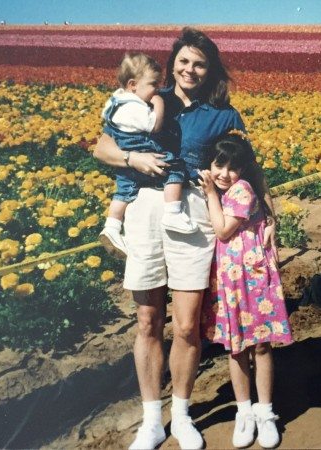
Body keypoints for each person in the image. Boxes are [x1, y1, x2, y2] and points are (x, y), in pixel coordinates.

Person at [93, 27, 277, 450]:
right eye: (183, 61)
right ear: (172, 62)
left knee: (188, 324)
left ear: (209, 69)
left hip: (193, 214)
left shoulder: (223, 114)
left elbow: (250, 168)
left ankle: (182, 413)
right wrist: (132, 157)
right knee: (147, 320)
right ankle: (152, 420)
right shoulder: (147, 96)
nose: (189, 69)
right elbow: (102, 145)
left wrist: (268, 215)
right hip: (143, 208)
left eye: (199, 62)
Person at [199, 132, 293, 449]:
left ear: (242, 170)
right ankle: (244, 412)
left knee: (261, 344)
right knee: (236, 347)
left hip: (252, 276)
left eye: (232, 167)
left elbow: (224, 230)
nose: (224, 173)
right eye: (218, 165)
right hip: (229, 277)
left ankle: (264, 412)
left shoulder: (241, 189)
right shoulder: (224, 187)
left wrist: (211, 193)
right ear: (209, 164)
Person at [99, 52, 197, 259]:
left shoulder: (116, 100)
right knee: (176, 168)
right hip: (144, 151)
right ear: (133, 84)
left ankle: (112, 226)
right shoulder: (136, 106)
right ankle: (173, 213)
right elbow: (153, 126)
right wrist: (159, 104)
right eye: (153, 84)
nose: (156, 90)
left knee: (124, 190)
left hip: (126, 165)